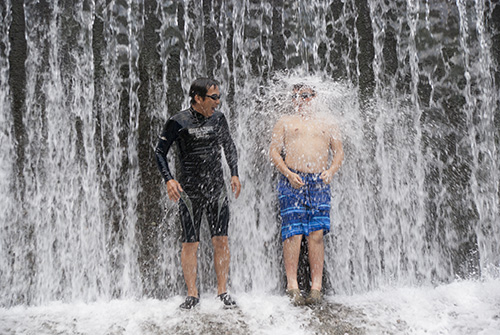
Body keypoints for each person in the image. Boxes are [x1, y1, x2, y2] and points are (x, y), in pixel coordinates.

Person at [155, 78, 241, 310]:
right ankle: (192, 294)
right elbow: (159, 153)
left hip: (216, 189)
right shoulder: (177, 121)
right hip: (190, 192)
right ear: (198, 98)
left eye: (219, 96)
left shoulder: (219, 118)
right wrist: (169, 179)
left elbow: (229, 145)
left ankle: (222, 290)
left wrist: (234, 173)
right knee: (190, 243)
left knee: (221, 240)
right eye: (214, 97)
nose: (218, 101)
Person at [269, 83, 344, 306]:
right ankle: (292, 285)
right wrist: (288, 173)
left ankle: (316, 287)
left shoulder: (328, 122)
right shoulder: (285, 121)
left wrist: (331, 171)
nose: (300, 100)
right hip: (292, 180)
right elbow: (274, 150)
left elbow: (339, 151)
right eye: (296, 96)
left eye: (304, 96)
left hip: (319, 181)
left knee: (317, 234)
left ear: (314, 96)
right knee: (292, 233)